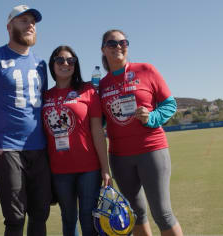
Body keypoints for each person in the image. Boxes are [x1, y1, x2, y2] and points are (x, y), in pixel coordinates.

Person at [0, 5, 51, 236]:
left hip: (39, 148)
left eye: (33, 22)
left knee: (40, 213)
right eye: (23, 20)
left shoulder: (41, 64)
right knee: (15, 217)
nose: (30, 25)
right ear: (9, 26)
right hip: (7, 149)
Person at [98, 29, 184, 236]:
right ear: (103, 49)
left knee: (162, 213)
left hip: (152, 150)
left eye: (123, 42)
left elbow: (170, 104)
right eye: (112, 43)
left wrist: (152, 117)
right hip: (119, 157)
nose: (118, 46)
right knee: (135, 214)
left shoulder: (146, 70)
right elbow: (99, 121)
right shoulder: (101, 85)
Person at [42, 45, 112, 236]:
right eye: (60, 60)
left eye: (70, 60)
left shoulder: (88, 90)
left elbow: (98, 131)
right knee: (68, 218)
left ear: (76, 65)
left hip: (88, 168)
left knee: (88, 220)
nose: (66, 64)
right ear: (52, 64)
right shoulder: (45, 96)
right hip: (59, 169)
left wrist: (105, 169)